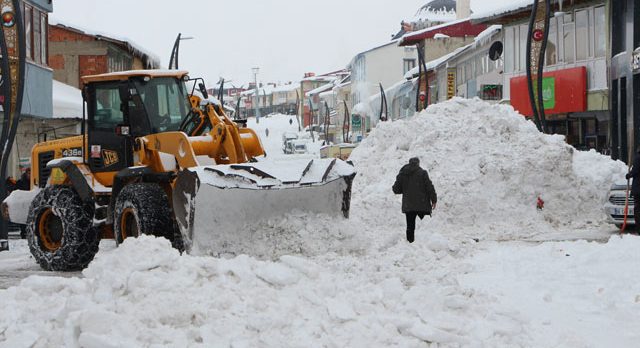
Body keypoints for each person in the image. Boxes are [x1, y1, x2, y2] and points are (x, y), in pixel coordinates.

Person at [392, 157, 437, 243]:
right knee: (425, 226)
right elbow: (429, 187)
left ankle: (410, 244)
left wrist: (405, 188)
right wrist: (434, 200)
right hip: (423, 204)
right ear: (418, 163)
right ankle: (426, 245)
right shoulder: (423, 173)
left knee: (410, 227)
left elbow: (396, 189)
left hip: (408, 205)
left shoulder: (403, 174)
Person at [626, 148, 640, 226]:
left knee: (637, 209)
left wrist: (629, 175)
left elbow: (635, 170)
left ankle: (639, 228)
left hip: (638, 188)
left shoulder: (638, 157)